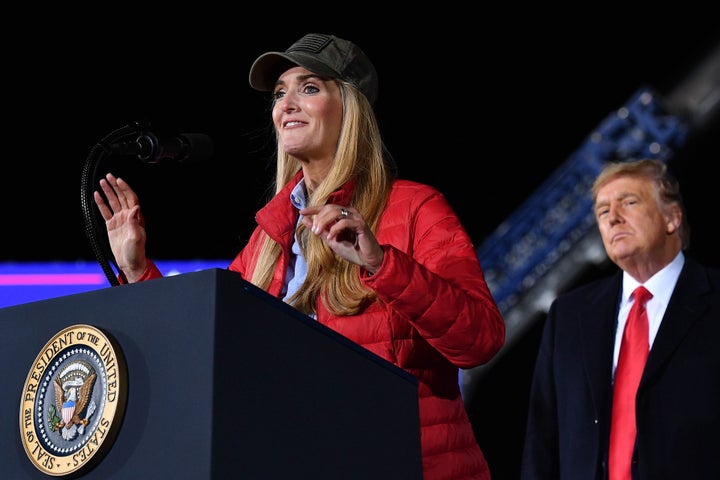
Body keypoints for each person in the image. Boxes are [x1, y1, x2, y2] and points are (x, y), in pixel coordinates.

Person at [94, 33, 506, 480]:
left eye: (309, 88)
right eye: (280, 93)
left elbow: (479, 340)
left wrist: (381, 263)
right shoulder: (269, 239)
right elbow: (206, 344)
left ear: (350, 108)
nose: (286, 103)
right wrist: (137, 269)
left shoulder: (413, 208)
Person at [520, 158, 720, 479]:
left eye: (628, 202)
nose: (613, 218)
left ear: (672, 218)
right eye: (602, 211)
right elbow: (542, 437)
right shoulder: (569, 316)